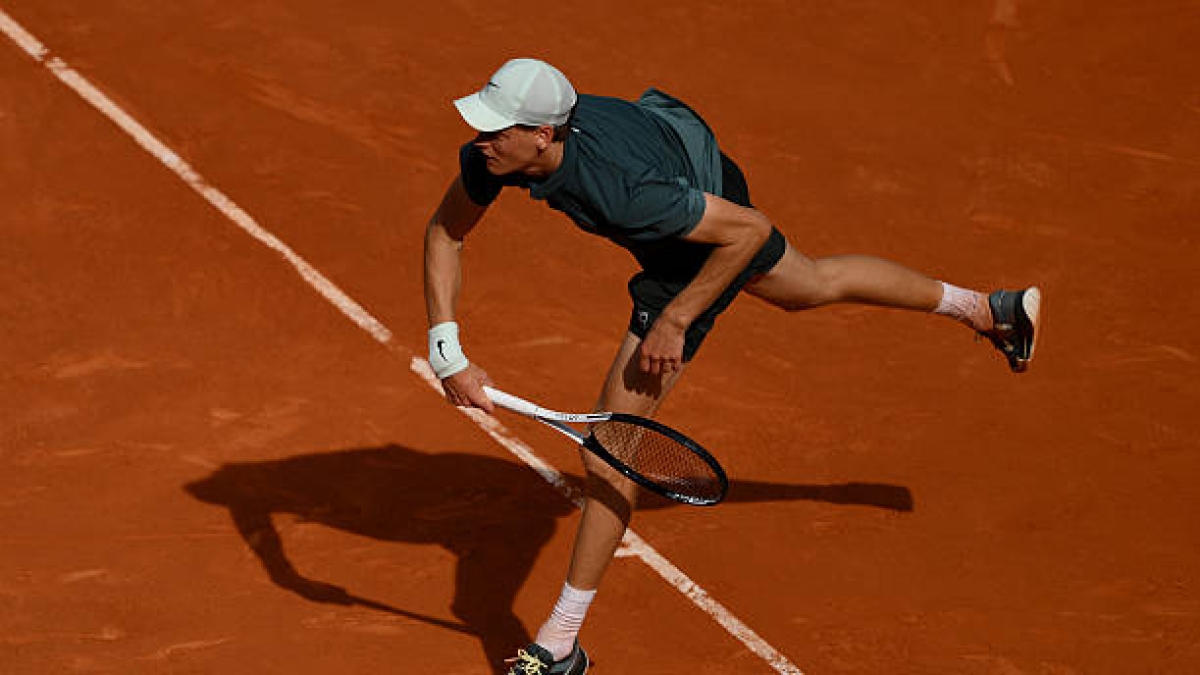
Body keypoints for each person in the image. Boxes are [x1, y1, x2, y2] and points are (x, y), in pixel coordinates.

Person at [423, 58, 1041, 674]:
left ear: (543, 135)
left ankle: (560, 644)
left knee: (610, 448)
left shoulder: (622, 188)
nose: (481, 140)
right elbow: (446, 234)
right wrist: (447, 350)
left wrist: (676, 319)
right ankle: (988, 310)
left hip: (699, 236)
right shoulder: (500, 155)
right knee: (810, 284)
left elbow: (746, 231)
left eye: (497, 129)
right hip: (685, 168)